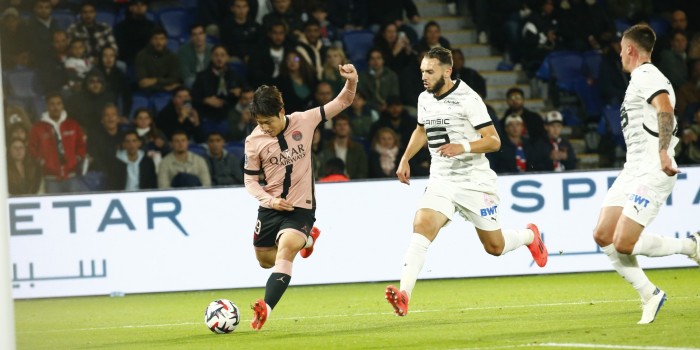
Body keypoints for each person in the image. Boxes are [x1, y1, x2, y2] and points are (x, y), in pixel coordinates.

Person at [384, 47, 548, 317]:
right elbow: (421, 129)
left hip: (475, 182)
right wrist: (405, 158)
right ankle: (404, 295)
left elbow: (494, 141)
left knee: (495, 247)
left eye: (430, 71)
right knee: (422, 224)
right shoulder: (424, 98)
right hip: (442, 179)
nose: (424, 76)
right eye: (422, 71)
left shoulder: (468, 98)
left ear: (447, 71)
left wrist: (463, 146)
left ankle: (530, 236)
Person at [592, 24, 700, 325]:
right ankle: (650, 293)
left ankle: (690, 246)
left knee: (623, 243)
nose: (620, 57)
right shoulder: (639, 79)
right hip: (633, 168)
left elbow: (665, 107)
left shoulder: (645, 74)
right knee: (603, 235)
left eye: (620, 51)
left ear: (629, 49)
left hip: (653, 167)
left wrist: (664, 151)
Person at [243, 63, 358, 331]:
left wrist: (352, 80)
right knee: (264, 260)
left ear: (281, 112)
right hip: (271, 208)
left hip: (301, 208)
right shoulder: (253, 141)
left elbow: (344, 100)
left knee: (285, 251)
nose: (265, 128)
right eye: (259, 123)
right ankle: (309, 239)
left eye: (268, 122)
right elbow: (250, 181)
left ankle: (266, 308)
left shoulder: (305, 120)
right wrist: (270, 201)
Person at [28, 93, 87, 194]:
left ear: (62, 105)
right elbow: (31, 148)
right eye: (52, 104)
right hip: (51, 178)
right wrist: (42, 161)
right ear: (47, 106)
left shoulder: (73, 125)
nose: (56, 107)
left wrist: (76, 158)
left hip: (71, 176)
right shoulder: (38, 128)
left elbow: (81, 145)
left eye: (58, 104)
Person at [319, 114, 368, 180]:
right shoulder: (326, 147)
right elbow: (322, 170)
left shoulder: (358, 148)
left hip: (352, 184)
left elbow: (362, 172)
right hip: (330, 184)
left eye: (345, 124)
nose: (342, 127)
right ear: (334, 129)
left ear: (349, 128)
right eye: (339, 125)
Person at [135, 26, 182, 93]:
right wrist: (164, 87)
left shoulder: (172, 57)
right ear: (151, 40)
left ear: (166, 41)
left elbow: (175, 79)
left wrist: (155, 80)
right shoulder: (142, 56)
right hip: (148, 92)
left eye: (162, 39)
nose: (159, 42)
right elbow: (143, 83)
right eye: (155, 39)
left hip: (169, 91)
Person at [178, 23, 213, 89]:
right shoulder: (183, 51)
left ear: (205, 35)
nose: (198, 37)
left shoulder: (212, 49)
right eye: (194, 35)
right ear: (191, 37)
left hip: (210, 80)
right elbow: (185, 74)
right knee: (190, 81)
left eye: (200, 34)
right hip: (193, 81)